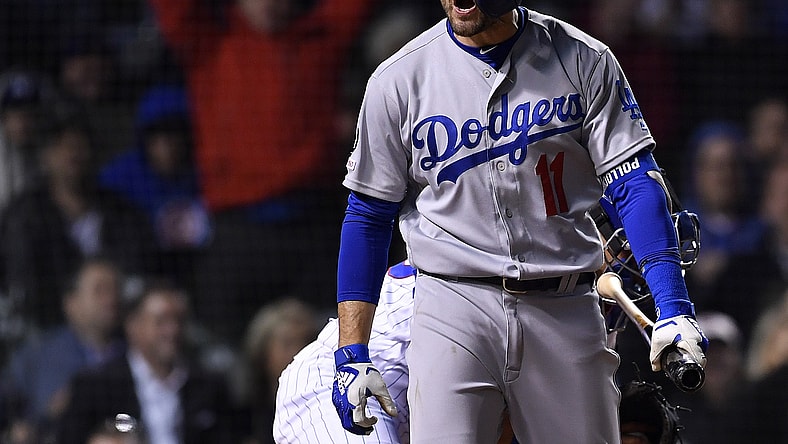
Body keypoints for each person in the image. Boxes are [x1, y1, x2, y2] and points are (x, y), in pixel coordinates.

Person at [333, 1, 707, 442]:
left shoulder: (584, 59)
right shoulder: (399, 79)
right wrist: (351, 351)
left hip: (564, 303)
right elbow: (368, 214)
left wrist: (673, 305)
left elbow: (634, 183)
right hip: (452, 302)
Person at [147, 0, 378, 341]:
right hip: (239, 233)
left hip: (313, 226)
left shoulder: (320, 38)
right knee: (225, 348)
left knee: (330, 344)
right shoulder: (209, 45)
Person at [0, 111, 158, 330]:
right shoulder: (23, 218)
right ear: (44, 156)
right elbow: (23, 287)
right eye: (61, 146)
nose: (72, 154)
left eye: (79, 145)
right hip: (47, 330)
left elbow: (140, 273)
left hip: (119, 325)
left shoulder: (122, 212)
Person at [55, 276, 241, 444]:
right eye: (161, 322)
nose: (172, 331)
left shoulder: (210, 386)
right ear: (133, 326)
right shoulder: (97, 386)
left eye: (178, 320)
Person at [1, 257, 126, 440]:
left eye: (115, 289)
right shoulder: (36, 356)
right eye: (99, 290)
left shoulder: (136, 352)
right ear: (71, 303)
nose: (111, 299)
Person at [238, 298, 320, 444]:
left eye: (307, 342)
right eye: (288, 343)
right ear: (263, 351)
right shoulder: (242, 414)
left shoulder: (326, 405)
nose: (299, 351)